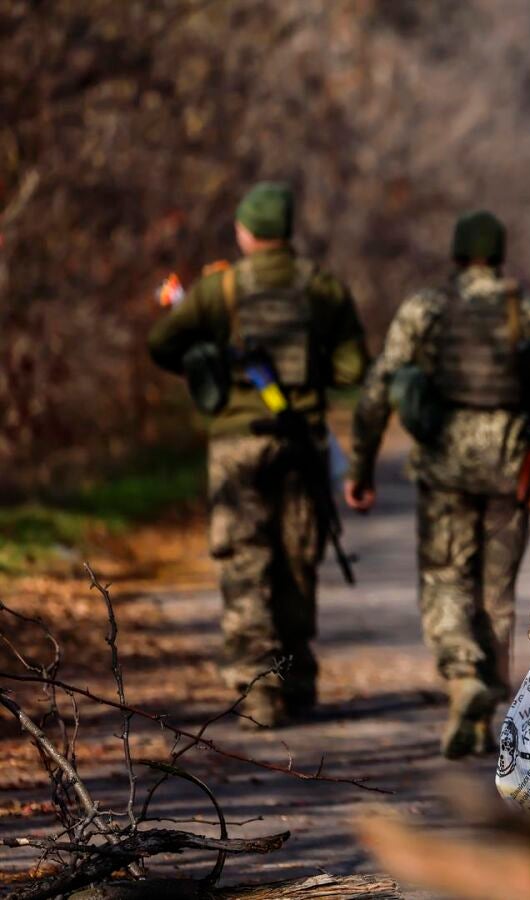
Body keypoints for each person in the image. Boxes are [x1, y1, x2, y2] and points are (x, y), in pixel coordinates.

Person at [347, 210, 530, 758]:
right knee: (496, 593)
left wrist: (361, 465)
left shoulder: (424, 309)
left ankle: (462, 675)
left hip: (444, 470)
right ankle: (485, 708)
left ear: (455, 253)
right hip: (510, 469)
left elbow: (380, 387)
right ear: (499, 254)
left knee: (445, 578)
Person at [147, 181, 369, 727]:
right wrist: (309, 371)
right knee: (296, 558)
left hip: (237, 443)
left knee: (244, 560)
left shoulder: (218, 290)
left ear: (246, 232)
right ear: (288, 230)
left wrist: (207, 365)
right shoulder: (322, 288)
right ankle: (297, 678)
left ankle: (259, 688)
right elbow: (352, 370)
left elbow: (162, 343)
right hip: (301, 441)